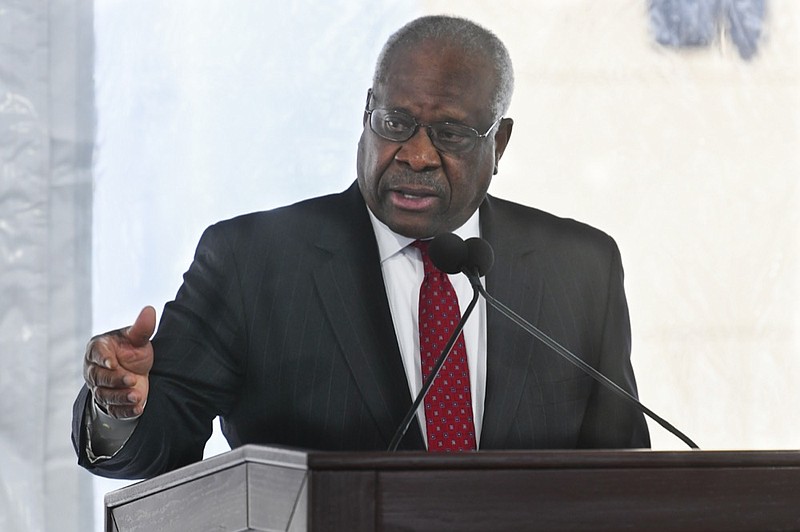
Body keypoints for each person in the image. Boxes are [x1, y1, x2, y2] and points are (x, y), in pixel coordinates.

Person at [73, 15, 650, 480]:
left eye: (448, 134)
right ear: (365, 114)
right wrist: (122, 407)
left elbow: (627, 481)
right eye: (395, 123)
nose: (416, 155)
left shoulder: (580, 268)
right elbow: (164, 439)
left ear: (498, 142)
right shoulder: (252, 262)